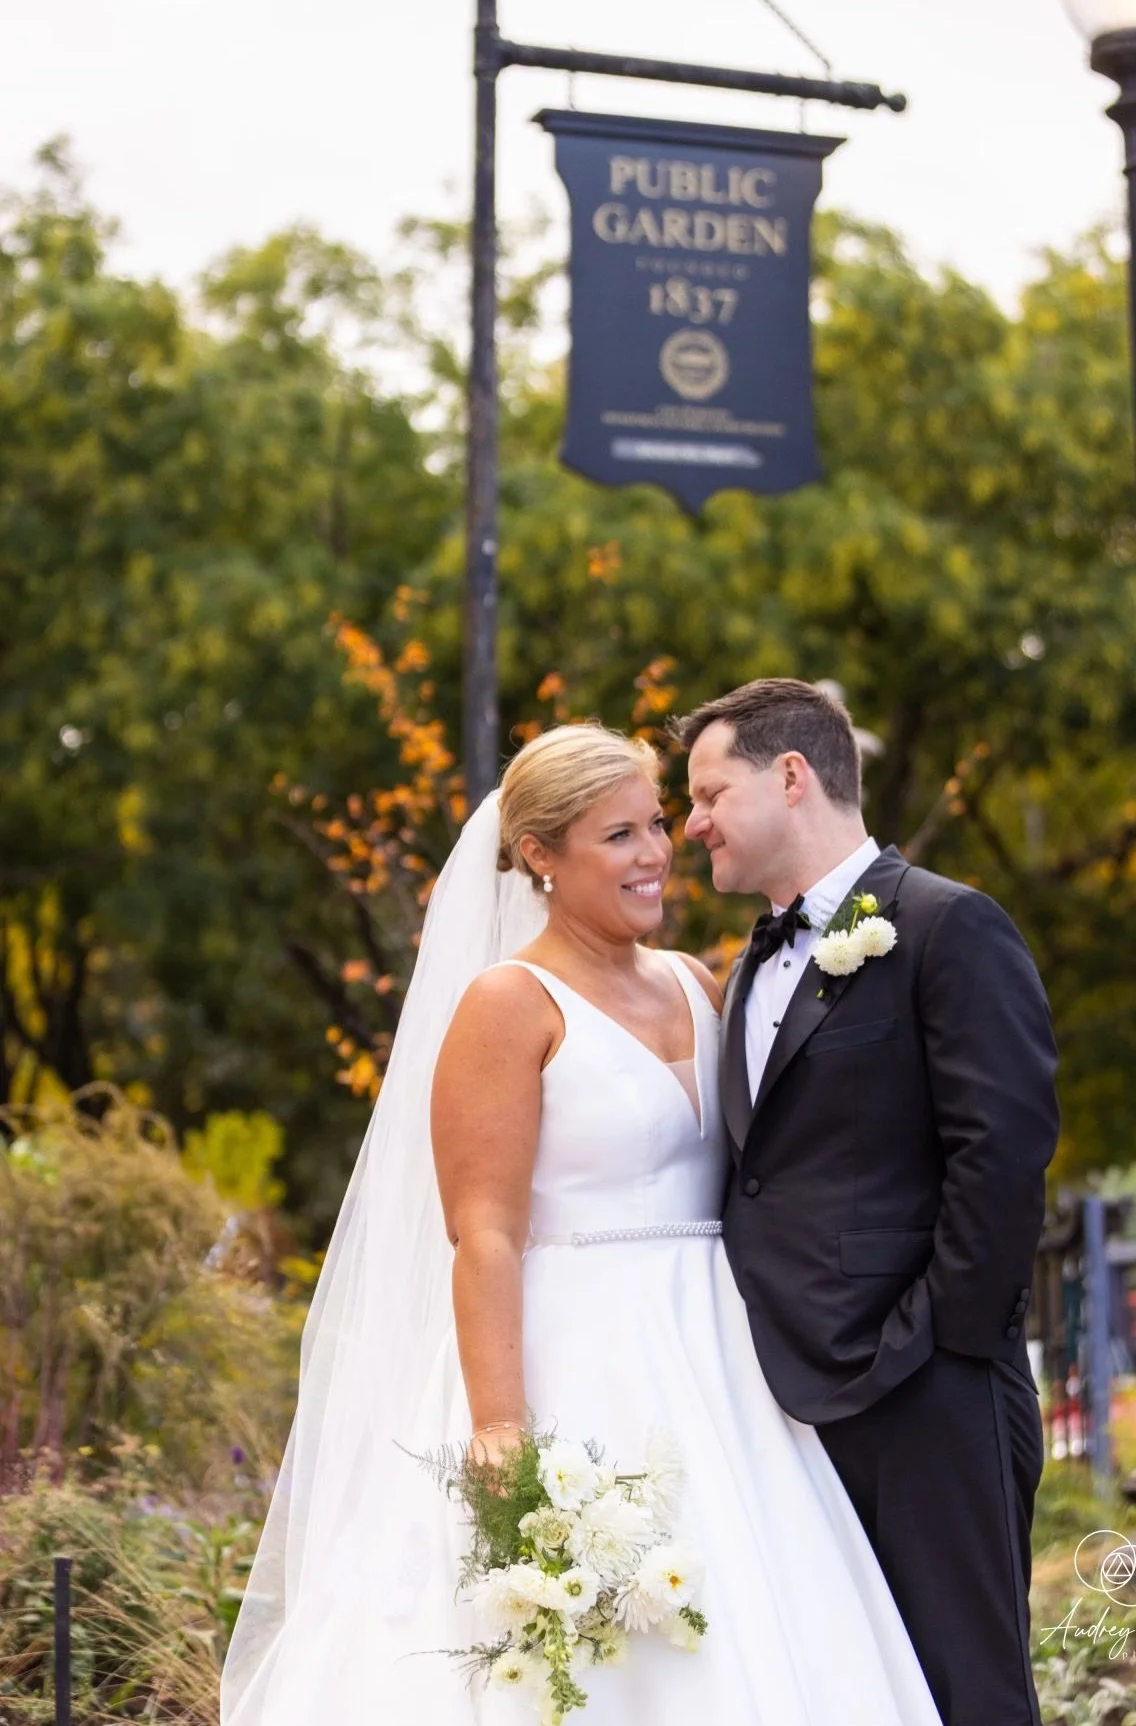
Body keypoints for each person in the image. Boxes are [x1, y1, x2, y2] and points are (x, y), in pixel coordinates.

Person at [221, 722, 941, 1726]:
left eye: (656, 824)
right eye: (619, 835)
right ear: (539, 856)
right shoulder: (508, 1005)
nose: (655, 851)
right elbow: (482, 1233)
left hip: (727, 1364)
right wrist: (502, 1430)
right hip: (576, 1361)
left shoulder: (696, 981)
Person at [676, 679, 1061, 1726]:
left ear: (790, 775)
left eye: (708, 791)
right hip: (779, 1403)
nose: (691, 820)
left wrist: (935, 1343)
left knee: (960, 1690)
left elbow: (1002, 1151)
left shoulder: (947, 925)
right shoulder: (744, 966)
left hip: (920, 1392)